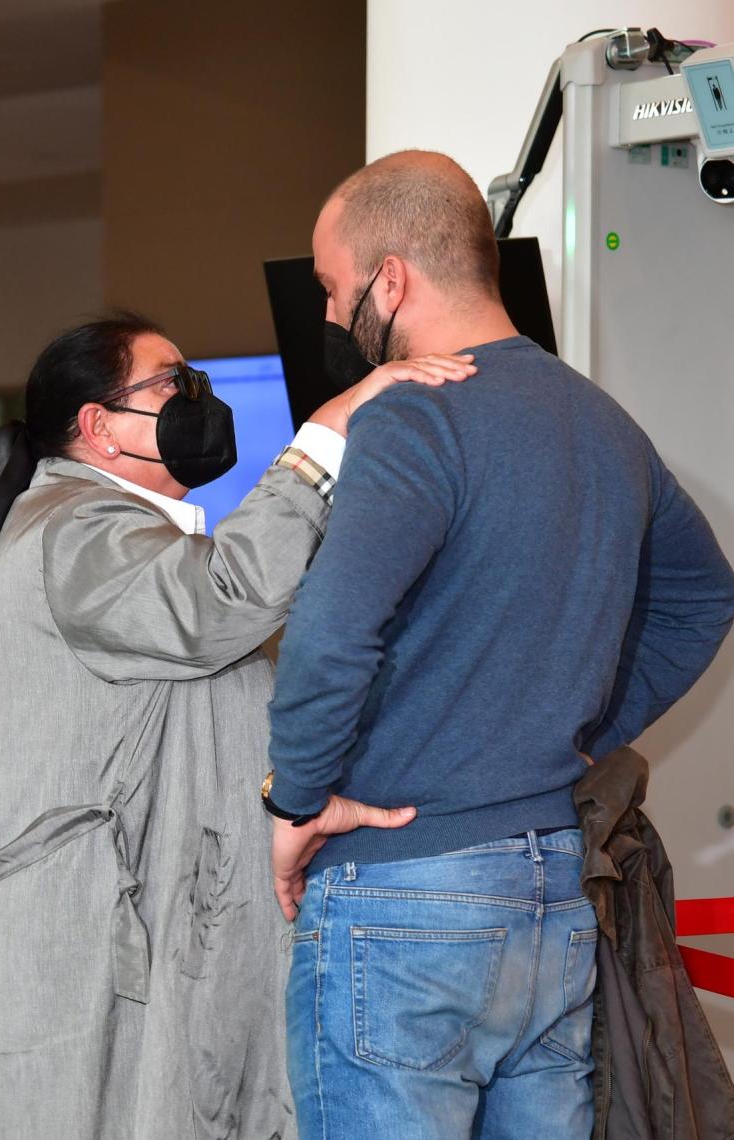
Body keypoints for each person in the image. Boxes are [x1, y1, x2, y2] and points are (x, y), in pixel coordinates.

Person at [265, 151, 734, 1140]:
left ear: (390, 279)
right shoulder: (603, 423)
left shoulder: (410, 412)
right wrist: (566, 728)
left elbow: (329, 633)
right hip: (552, 892)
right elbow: (701, 600)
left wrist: (297, 799)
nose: (329, 314)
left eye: (332, 286)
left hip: (403, 894)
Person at [0, 311, 477, 1140]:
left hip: (141, 935)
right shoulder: (73, 532)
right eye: (170, 384)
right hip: (80, 955)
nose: (196, 402)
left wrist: (300, 794)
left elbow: (216, 701)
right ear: (98, 426)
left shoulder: (110, 533)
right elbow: (224, 601)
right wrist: (323, 436)